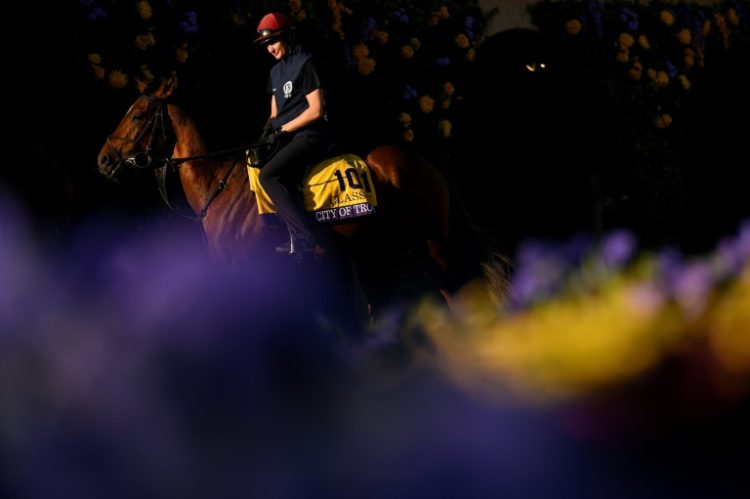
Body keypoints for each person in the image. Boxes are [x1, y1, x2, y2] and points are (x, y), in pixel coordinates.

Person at [254, 11, 329, 259]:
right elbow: (274, 114)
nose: (270, 49)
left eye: (273, 42)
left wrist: (283, 129)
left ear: (287, 37)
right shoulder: (275, 72)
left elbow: (316, 110)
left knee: (269, 175)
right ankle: (285, 232)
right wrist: (266, 132)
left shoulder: (306, 63)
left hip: (309, 135)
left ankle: (306, 241)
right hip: (285, 137)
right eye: (266, 45)